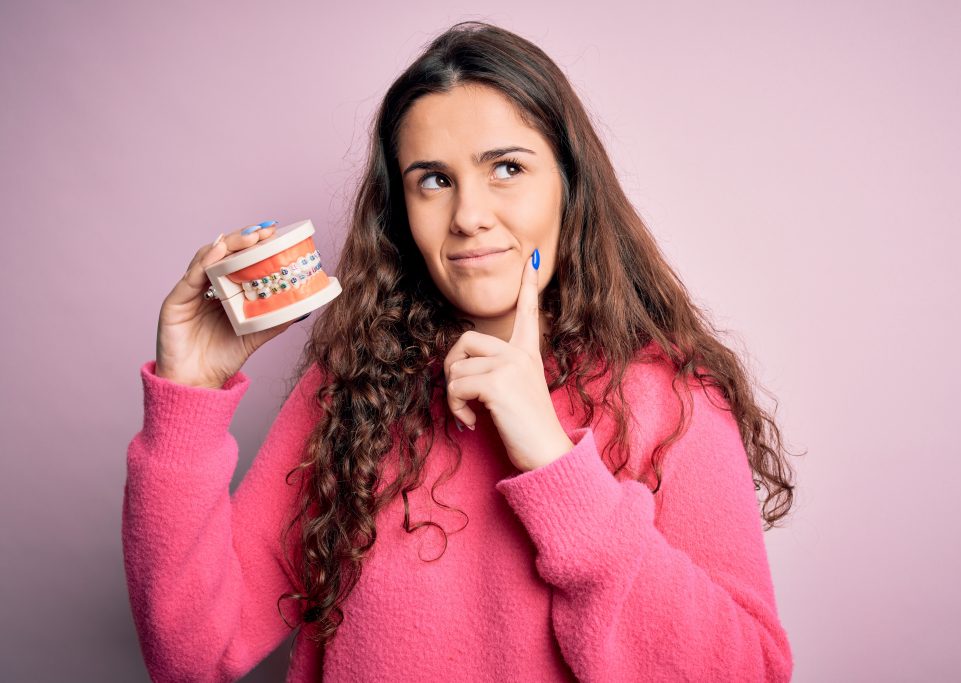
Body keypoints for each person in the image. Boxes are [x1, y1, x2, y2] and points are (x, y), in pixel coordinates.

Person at [123, 20, 798, 683]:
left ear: (571, 186)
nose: (469, 214)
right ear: (402, 214)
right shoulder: (354, 387)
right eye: (434, 181)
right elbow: (191, 656)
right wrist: (189, 398)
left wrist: (556, 464)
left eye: (507, 168)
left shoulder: (672, 398)